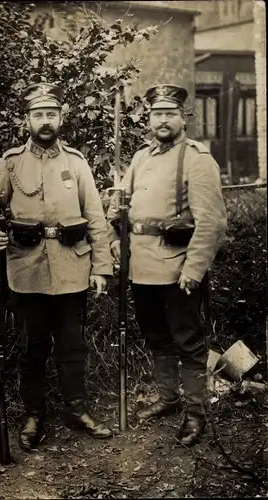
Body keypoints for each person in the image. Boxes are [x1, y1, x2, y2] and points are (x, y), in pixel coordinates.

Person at [0, 82, 114, 451]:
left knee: (73, 346)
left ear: (61, 118)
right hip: (27, 272)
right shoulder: (9, 163)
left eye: (51, 114)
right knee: (30, 348)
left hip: (72, 269)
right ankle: (34, 414)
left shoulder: (76, 162)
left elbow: (96, 218)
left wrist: (101, 267)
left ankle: (77, 410)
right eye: (38, 115)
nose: (45, 121)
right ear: (28, 120)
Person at [107, 84, 227, 446]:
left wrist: (194, 269)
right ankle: (169, 399)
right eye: (156, 114)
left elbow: (212, 222)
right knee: (156, 336)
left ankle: (195, 413)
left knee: (188, 342)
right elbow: (119, 206)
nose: (162, 120)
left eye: (169, 114)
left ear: (182, 118)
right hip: (141, 267)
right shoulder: (142, 158)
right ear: (149, 118)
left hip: (177, 270)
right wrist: (115, 240)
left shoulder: (196, 159)